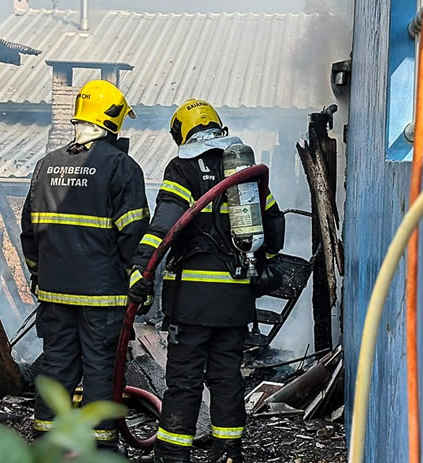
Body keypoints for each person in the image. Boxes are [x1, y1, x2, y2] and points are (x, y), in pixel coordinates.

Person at [128, 99, 286, 463]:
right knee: (227, 378)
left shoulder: (182, 167)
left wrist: (142, 270)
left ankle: (172, 454)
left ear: (182, 132)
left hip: (192, 302)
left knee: (184, 380)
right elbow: (274, 220)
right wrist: (268, 264)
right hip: (235, 300)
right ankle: (228, 451)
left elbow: (166, 225)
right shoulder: (243, 169)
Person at [20, 79, 149, 451]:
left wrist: (37, 274)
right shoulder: (122, 167)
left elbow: (29, 230)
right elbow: (134, 236)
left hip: (54, 292)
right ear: (112, 119)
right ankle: (101, 450)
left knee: (56, 366)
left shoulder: (46, 165)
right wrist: (139, 281)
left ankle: (47, 444)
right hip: (103, 296)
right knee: (100, 371)